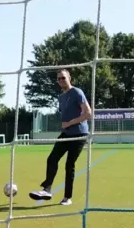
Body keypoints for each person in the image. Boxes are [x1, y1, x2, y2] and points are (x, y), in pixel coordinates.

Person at [28, 68, 92, 206]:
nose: (61, 80)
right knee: (52, 158)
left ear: (70, 78)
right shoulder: (61, 97)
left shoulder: (77, 92)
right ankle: (47, 190)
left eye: (63, 77)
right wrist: (65, 125)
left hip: (79, 134)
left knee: (69, 164)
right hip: (66, 133)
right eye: (59, 79)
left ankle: (67, 197)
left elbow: (88, 113)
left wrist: (70, 123)